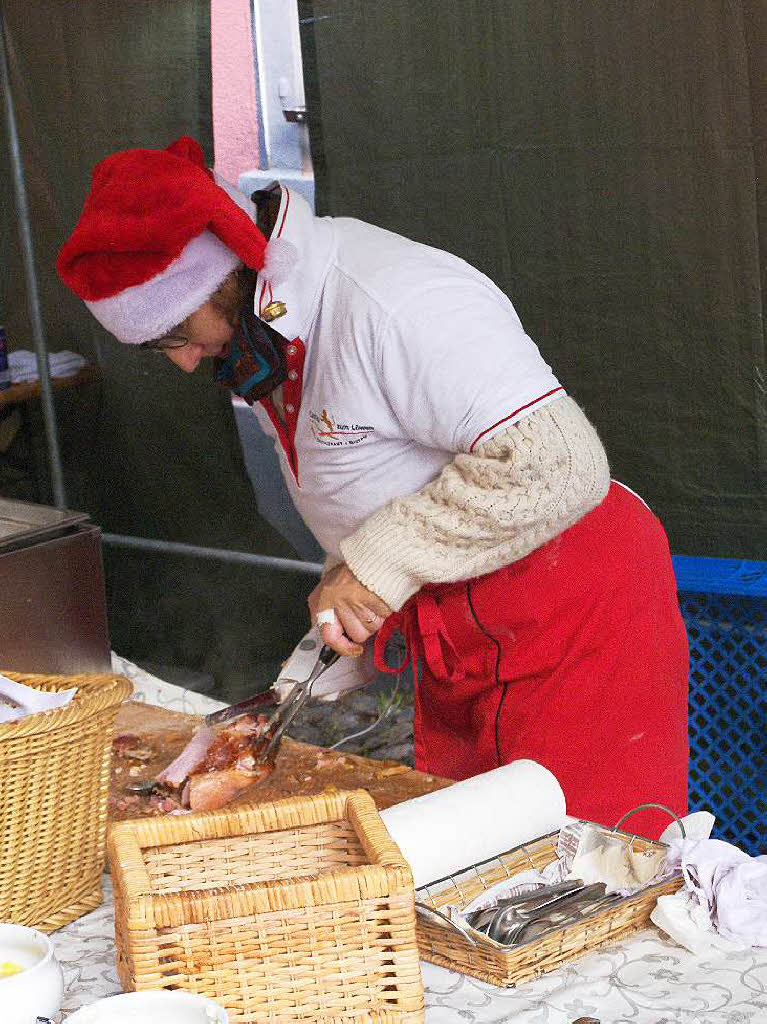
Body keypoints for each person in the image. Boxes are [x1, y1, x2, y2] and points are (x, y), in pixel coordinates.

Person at [57, 137, 689, 835]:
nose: (181, 362)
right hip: (463, 619)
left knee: (573, 856)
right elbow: (369, 487)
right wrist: (330, 630)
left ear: (224, 276)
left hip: (565, 605)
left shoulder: (390, 300)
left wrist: (376, 563)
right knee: (477, 855)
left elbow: (556, 463)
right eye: (155, 347)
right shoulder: (265, 333)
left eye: (176, 331)